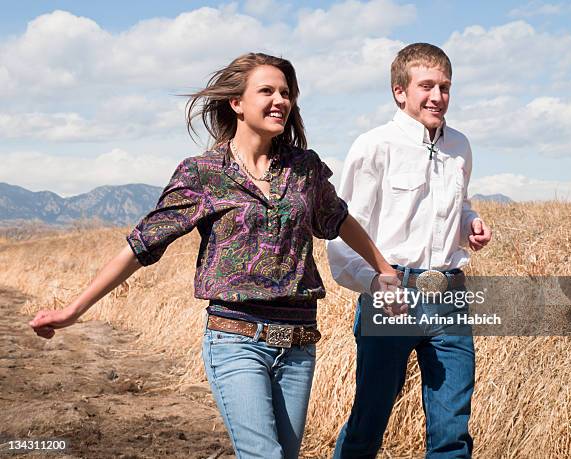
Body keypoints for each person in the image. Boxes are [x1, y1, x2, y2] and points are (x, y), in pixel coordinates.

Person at [29, 53, 400, 459]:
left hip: (296, 343)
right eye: (267, 91)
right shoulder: (203, 173)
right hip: (235, 338)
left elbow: (339, 220)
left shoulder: (303, 168)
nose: (280, 100)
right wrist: (72, 311)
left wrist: (382, 268)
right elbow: (140, 245)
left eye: (286, 93)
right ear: (236, 103)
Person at [327, 43, 492, 458]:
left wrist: (468, 225)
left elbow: (457, 206)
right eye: (427, 86)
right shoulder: (374, 146)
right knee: (370, 421)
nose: (438, 96)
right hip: (391, 296)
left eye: (445, 87)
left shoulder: (460, 147)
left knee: (452, 431)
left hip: (450, 297)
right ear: (400, 91)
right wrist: (375, 283)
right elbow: (343, 233)